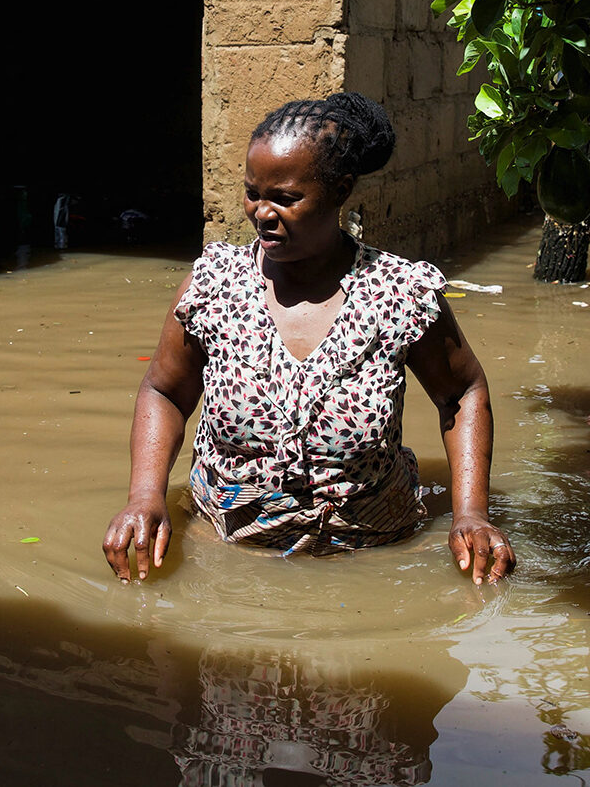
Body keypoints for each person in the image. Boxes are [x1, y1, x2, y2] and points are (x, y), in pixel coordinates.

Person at [103, 93, 514, 585]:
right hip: (228, 555)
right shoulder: (214, 286)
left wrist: (471, 513)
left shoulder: (399, 294)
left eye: (286, 198)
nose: (262, 212)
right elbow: (165, 391)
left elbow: (461, 393)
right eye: (253, 192)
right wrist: (145, 498)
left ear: (340, 191)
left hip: (373, 560)